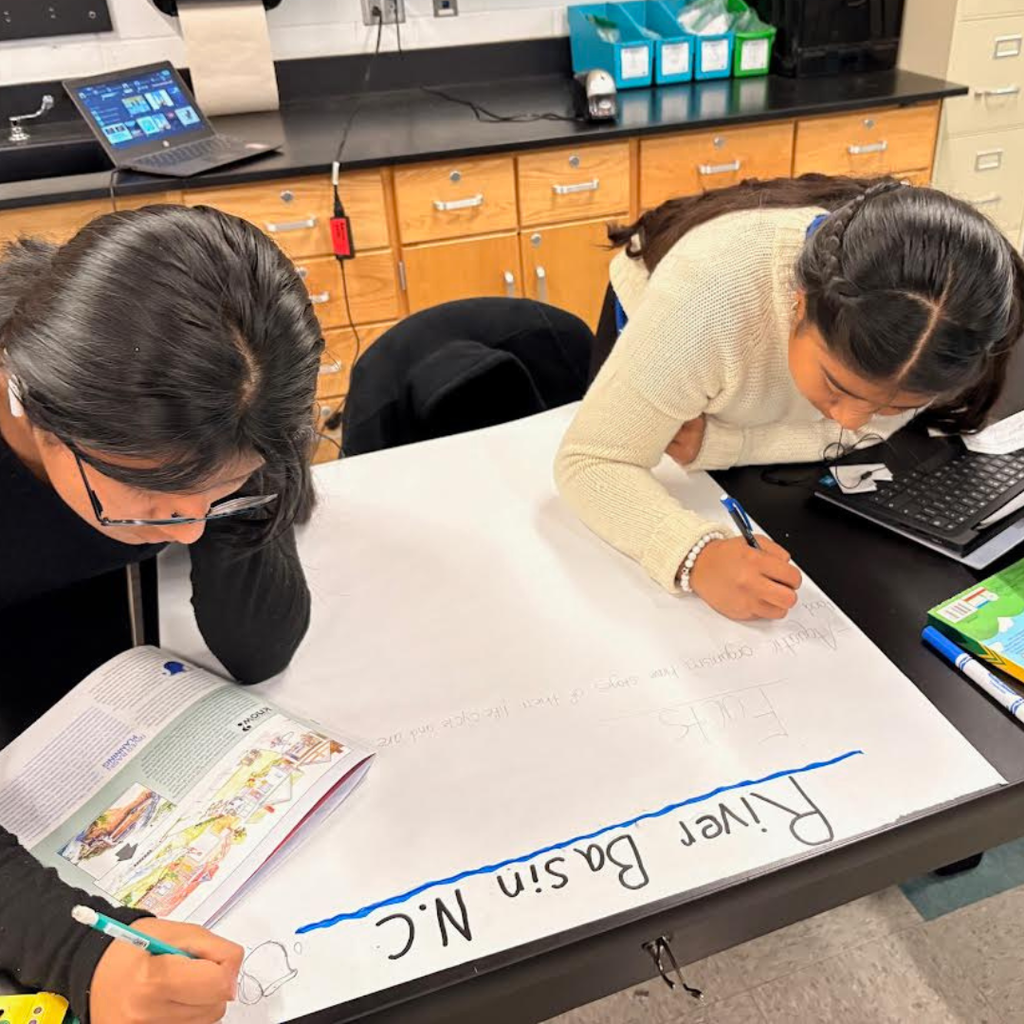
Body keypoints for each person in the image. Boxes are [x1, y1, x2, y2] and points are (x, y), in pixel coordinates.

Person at [0, 205, 324, 1022]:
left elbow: (259, 646)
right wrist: (81, 956)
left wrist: (244, 501)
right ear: (29, 407)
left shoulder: (200, 421)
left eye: (208, 501)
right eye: (151, 505)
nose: (184, 531)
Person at [555, 175, 1024, 620]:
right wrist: (694, 554)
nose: (855, 422)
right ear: (799, 302)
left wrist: (726, 446)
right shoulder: (707, 298)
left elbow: (866, 422)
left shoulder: (934, 334)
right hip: (669, 321)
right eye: (838, 387)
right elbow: (593, 459)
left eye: (893, 406)